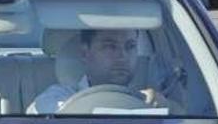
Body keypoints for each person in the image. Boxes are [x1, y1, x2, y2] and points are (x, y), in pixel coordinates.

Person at [27, 30, 170, 114]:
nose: (123, 56)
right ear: (84, 53)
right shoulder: (55, 99)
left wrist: (167, 108)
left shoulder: (150, 103)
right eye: (110, 47)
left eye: (130, 46)